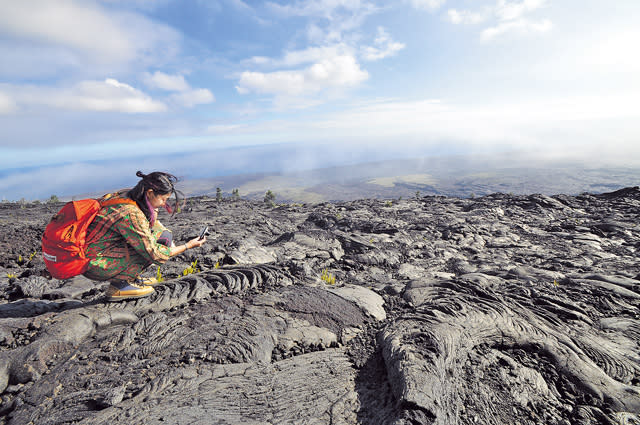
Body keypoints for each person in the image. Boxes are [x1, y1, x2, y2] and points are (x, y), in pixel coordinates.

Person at [83, 171, 207, 301]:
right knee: (152, 246)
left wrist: (156, 214)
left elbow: (152, 226)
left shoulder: (126, 195)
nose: (164, 203)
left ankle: (130, 278)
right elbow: (155, 254)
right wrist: (188, 245)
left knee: (164, 236)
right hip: (96, 264)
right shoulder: (131, 213)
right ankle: (119, 286)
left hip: (95, 253)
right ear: (150, 193)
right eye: (163, 199)